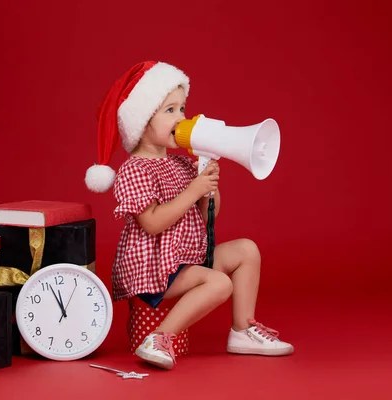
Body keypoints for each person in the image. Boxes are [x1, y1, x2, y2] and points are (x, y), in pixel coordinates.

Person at [84, 61, 294, 370]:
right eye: (170, 110)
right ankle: (158, 337)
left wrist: (208, 188)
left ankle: (242, 330)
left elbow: (207, 215)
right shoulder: (134, 170)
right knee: (220, 284)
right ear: (142, 122)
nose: (182, 118)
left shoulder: (182, 165)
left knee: (247, 250)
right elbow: (153, 223)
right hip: (154, 269)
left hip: (184, 259)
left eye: (182, 108)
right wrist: (194, 190)